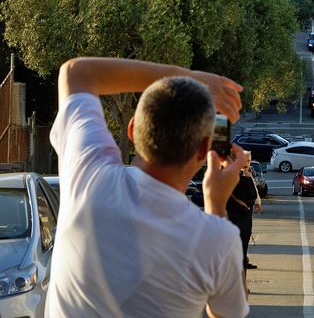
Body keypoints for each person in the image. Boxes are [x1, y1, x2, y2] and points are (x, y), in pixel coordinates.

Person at [48, 56, 249, 318]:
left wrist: (190, 76)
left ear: (132, 130)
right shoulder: (217, 240)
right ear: (203, 149)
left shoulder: (88, 177)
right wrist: (216, 207)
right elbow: (223, 314)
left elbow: (76, 72)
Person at [226, 156, 263, 281]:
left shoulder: (222, 178)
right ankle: (241, 284)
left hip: (228, 218)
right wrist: (247, 176)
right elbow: (253, 194)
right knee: (241, 252)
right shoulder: (243, 179)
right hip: (243, 218)